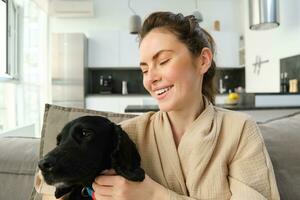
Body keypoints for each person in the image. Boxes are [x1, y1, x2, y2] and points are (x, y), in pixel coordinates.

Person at [91, 11, 280, 200]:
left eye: (163, 61)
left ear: (203, 60)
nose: (151, 78)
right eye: (144, 69)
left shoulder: (239, 130)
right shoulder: (125, 135)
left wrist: (154, 195)